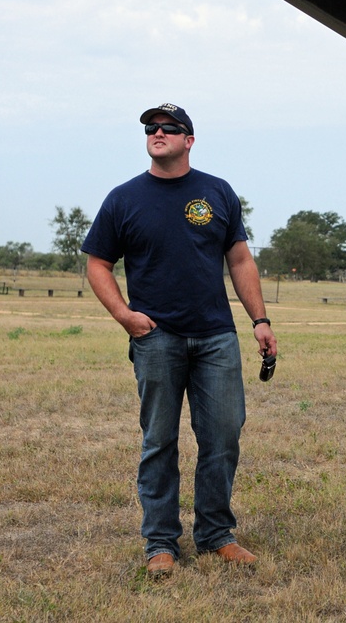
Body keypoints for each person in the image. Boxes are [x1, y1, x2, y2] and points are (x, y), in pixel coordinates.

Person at [81, 103, 277, 578]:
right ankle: (160, 543)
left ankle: (215, 535)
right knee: (159, 442)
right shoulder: (124, 199)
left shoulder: (217, 192)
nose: (158, 132)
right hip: (157, 339)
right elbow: (97, 263)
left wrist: (260, 319)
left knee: (223, 436)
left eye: (170, 128)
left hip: (216, 338)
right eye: (151, 127)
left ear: (189, 140)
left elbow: (240, 260)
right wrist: (125, 316)